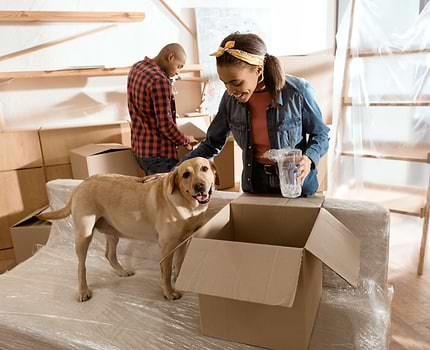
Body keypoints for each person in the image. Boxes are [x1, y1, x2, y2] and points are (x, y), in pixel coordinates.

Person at [181, 33, 329, 196]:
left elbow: (321, 135)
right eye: (225, 84)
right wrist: (174, 171)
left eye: (236, 83)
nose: (230, 91)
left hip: (295, 182)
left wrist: (308, 159)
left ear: (258, 70)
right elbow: (211, 143)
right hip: (256, 183)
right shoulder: (230, 100)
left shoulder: (297, 92)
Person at [127, 43, 195, 175]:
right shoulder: (160, 81)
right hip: (159, 155)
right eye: (179, 66)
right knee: (165, 195)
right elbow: (165, 125)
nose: (177, 72)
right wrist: (185, 141)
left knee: (153, 193)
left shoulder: (137, 67)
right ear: (171, 57)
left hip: (140, 149)